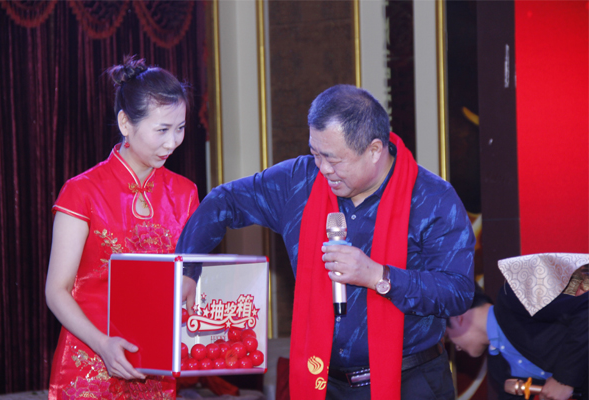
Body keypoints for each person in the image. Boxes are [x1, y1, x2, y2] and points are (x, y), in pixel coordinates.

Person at [177, 84, 475, 400]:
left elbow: (457, 291)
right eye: (315, 154)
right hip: (324, 382)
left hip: (410, 382)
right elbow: (224, 201)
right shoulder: (300, 182)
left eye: (333, 159)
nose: (323, 169)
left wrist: (378, 275)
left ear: (374, 150)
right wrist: (187, 268)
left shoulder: (432, 199)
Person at [45, 56, 199, 399]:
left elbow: (187, 279)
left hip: (155, 369)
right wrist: (102, 344)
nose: (173, 142)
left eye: (180, 128)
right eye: (162, 129)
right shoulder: (82, 191)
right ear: (125, 123)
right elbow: (56, 290)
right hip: (89, 362)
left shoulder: (185, 193)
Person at [446, 269, 588, 400]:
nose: (457, 347)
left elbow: (585, 308)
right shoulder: (498, 366)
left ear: (457, 317)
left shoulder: (513, 296)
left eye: (448, 335)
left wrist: (563, 379)